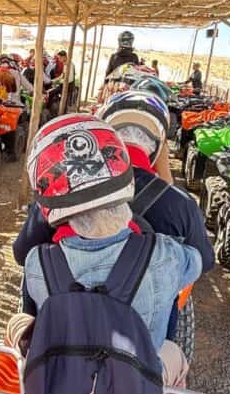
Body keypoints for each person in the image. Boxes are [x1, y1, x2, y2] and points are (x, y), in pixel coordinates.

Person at [15, 115, 202, 389]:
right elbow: (196, 263)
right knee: (173, 351)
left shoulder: (37, 263)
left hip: (60, 391)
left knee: (19, 323)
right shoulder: (167, 256)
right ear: (124, 174)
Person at [14, 101, 213, 277]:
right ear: (158, 147)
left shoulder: (61, 193)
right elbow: (204, 261)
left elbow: (22, 253)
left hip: (62, 297)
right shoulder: (181, 203)